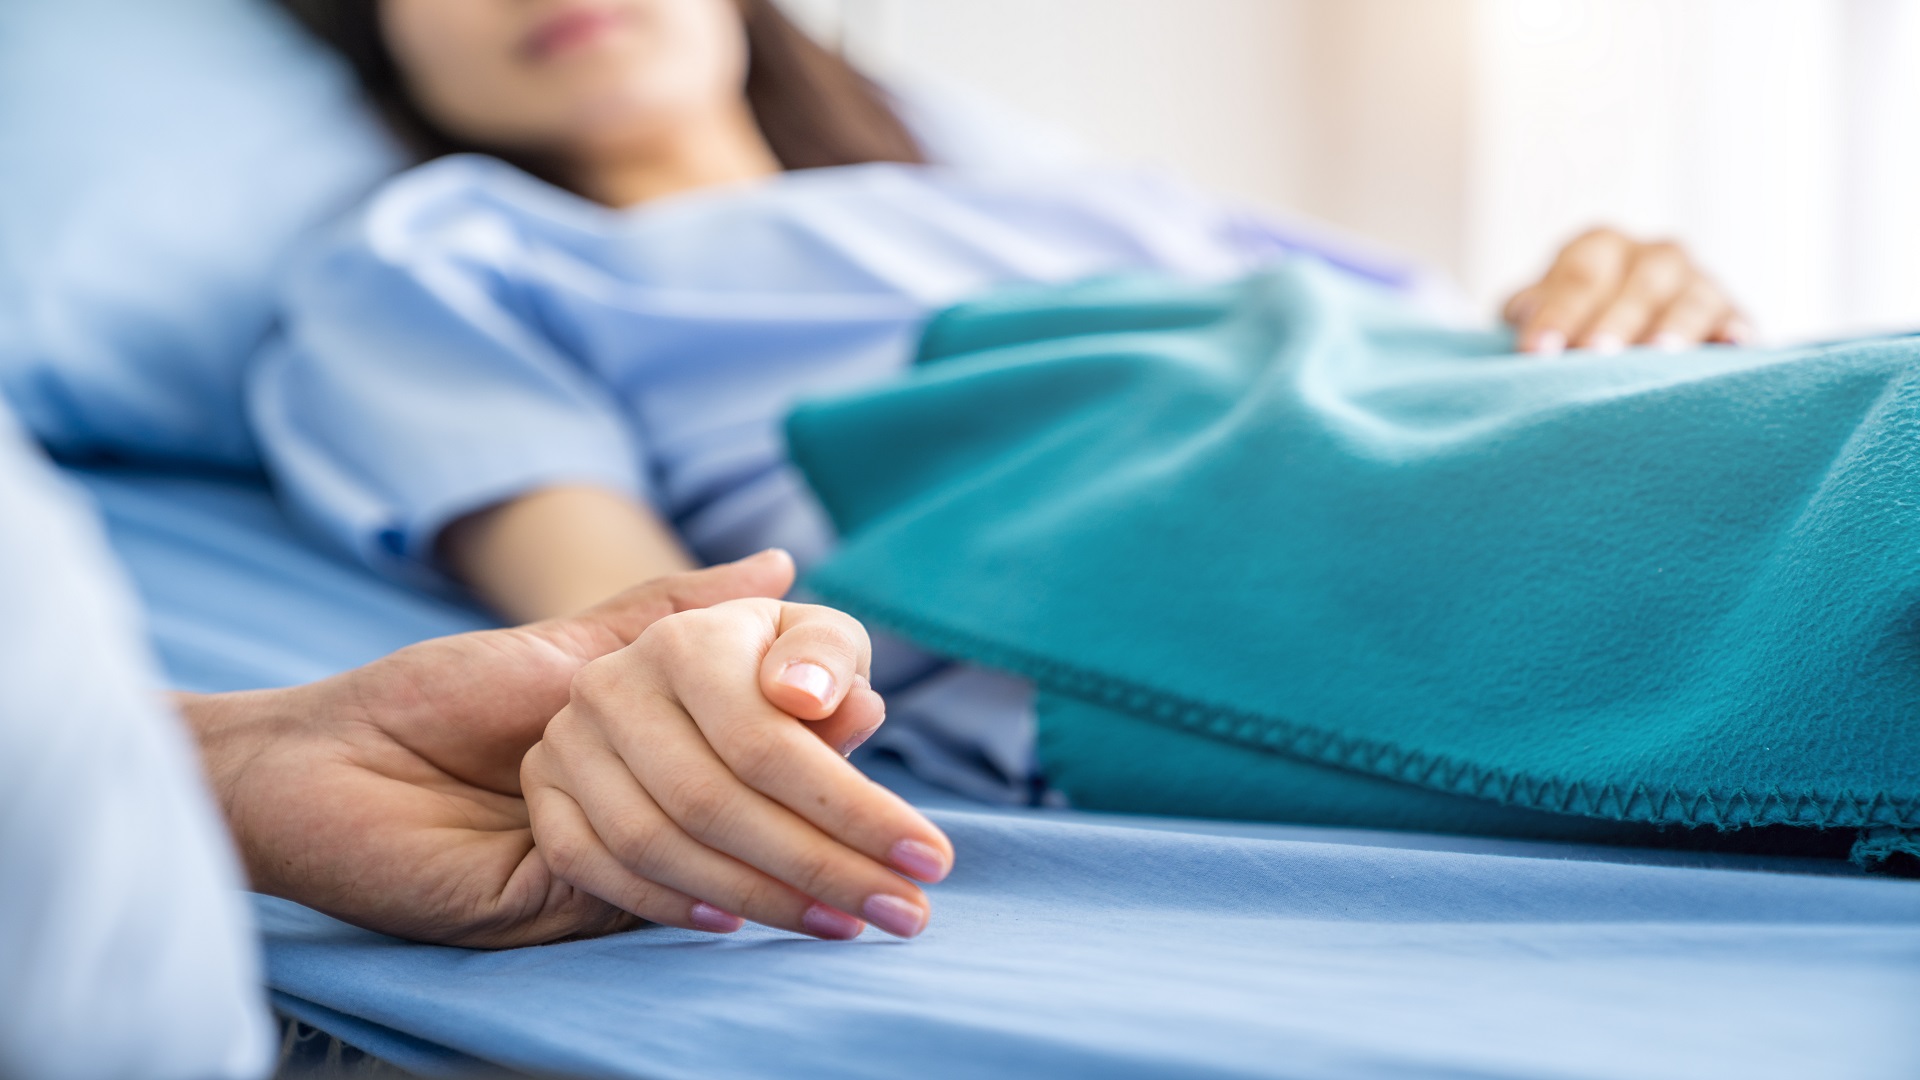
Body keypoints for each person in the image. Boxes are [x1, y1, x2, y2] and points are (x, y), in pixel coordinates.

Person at [251, 0, 1758, 946]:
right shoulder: (442, 251)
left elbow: (1446, 349)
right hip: (1148, 541)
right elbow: (622, 622)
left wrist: (1605, 288)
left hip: (1485, 425)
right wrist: (690, 685)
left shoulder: (1065, 199)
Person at [0, 400, 949, 1076]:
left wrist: (242, 760)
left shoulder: (987, 215)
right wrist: (704, 669)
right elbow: (644, 621)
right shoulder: (456, 251)